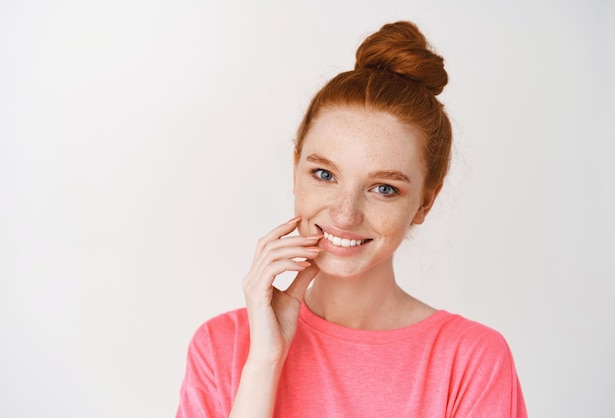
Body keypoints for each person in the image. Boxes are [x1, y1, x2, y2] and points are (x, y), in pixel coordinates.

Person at [176, 21, 527, 417]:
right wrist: (264, 364)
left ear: (426, 202)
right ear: (296, 171)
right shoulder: (224, 345)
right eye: (324, 175)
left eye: (383, 188)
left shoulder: (470, 361)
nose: (345, 213)